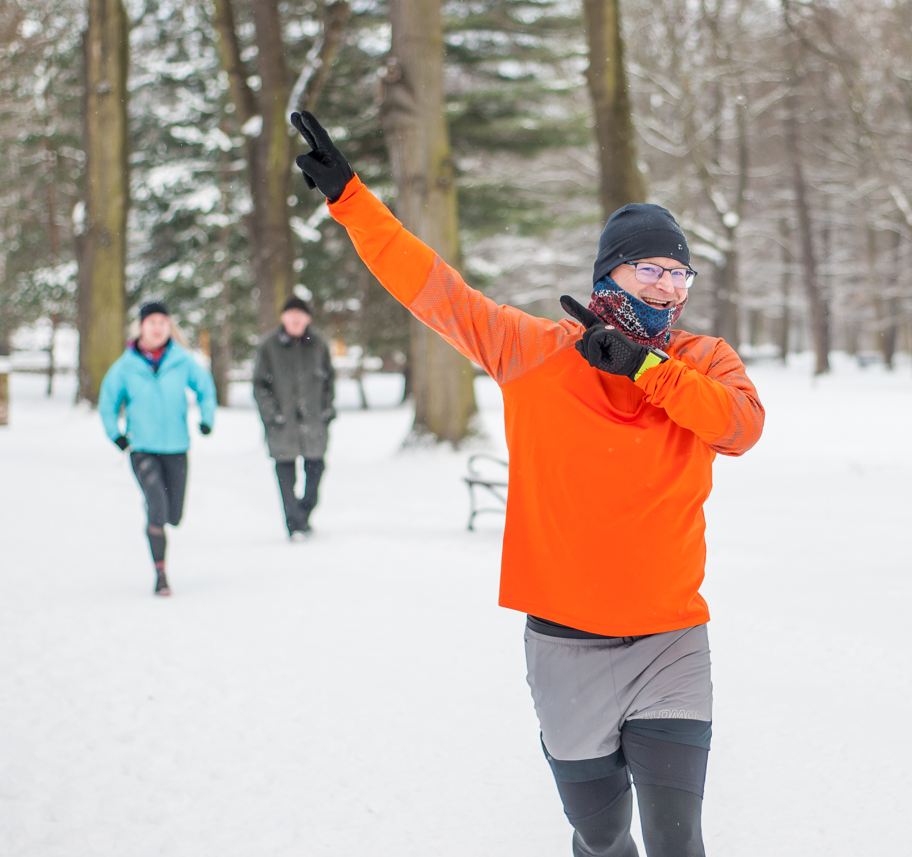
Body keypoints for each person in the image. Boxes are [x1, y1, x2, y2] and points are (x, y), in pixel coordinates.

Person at [293, 110, 764, 856]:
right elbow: (434, 290)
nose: (670, 287)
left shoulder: (701, 361)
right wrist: (352, 197)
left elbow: (740, 428)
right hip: (565, 644)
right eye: (652, 269)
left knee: (679, 841)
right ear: (609, 272)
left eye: (680, 273)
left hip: (671, 638)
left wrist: (645, 367)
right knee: (603, 833)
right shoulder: (531, 352)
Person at [99, 301, 217, 596]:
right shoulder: (125, 366)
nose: (157, 327)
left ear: (169, 326)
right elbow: (107, 402)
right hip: (142, 448)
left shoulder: (182, 360)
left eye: (162, 322)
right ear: (141, 326)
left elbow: (205, 387)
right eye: (151, 322)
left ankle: (159, 513)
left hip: (176, 446)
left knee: (173, 515)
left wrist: (207, 419)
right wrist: (117, 435)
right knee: (157, 505)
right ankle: (161, 573)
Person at [252, 296, 336, 539]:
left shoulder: (318, 344)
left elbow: (330, 379)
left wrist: (326, 410)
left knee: (316, 469)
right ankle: (294, 523)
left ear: (308, 318)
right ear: (283, 318)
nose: (296, 319)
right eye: (291, 314)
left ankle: (304, 512)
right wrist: (271, 414)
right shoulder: (269, 346)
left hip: (314, 421)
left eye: (301, 314)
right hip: (282, 422)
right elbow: (259, 385)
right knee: (285, 473)